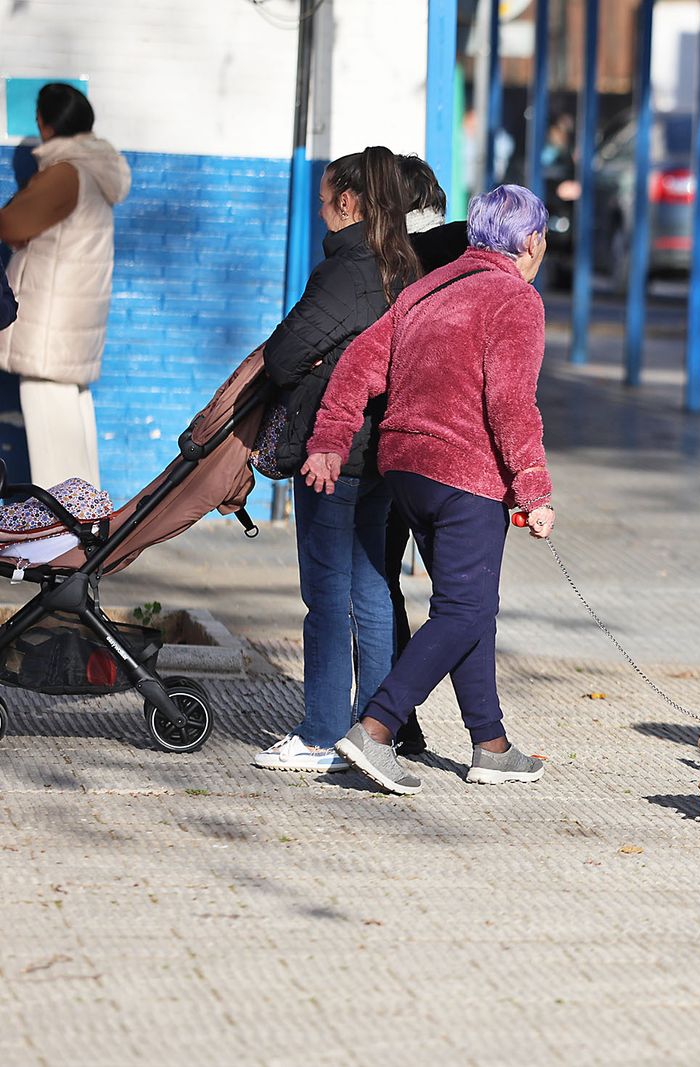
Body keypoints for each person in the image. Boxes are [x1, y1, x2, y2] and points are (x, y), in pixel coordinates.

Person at [306, 184, 555, 796]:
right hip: (465, 474)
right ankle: (376, 728)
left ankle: (490, 745)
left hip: (405, 468)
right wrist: (533, 488)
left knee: (470, 607)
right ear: (530, 241)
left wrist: (330, 438)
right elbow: (511, 403)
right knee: (464, 609)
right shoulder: (516, 299)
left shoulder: (427, 288)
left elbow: (358, 364)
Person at [252, 147, 420, 774]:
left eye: (325, 200)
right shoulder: (404, 267)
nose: (322, 210)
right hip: (380, 453)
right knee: (373, 590)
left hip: (332, 452)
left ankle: (322, 734)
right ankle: (371, 734)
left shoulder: (346, 272)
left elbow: (281, 357)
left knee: (326, 595)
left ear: (348, 202)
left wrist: (316, 362)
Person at [380, 155, 472, 758]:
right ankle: (486, 734)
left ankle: (395, 718)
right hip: (461, 458)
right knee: (465, 603)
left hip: (392, 452)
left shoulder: (388, 265)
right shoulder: (471, 258)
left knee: (380, 582)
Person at [0, 84, 130, 487]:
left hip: (49, 324)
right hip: (74, 321)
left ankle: (60, 517)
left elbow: (10, 224)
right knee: (74, 421)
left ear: (46, 123)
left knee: (49, 428)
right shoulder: (95, 170)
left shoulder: (65, 172)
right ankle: (85, 512)